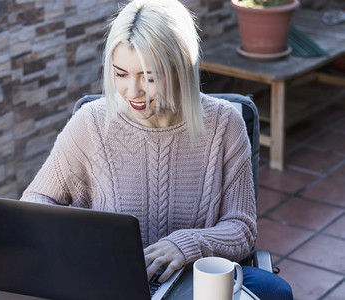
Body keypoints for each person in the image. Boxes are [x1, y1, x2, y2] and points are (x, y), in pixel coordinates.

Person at [20, 0, 293, 299]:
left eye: (149, 77)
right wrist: (77, 239)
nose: (132, 92)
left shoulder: (225, 123)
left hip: (193, 280)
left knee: (274, 290)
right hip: (110, 280)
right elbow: (36, 199)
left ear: (182, 67)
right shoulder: (92, 123)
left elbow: (241, 228)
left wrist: (186, 245)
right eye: (121, 74)